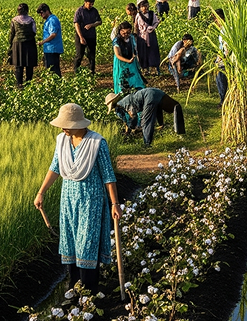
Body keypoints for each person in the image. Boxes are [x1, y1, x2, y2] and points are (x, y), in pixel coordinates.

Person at [34, 104, 121, 293]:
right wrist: (41, 192)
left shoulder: (96, 143)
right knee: (70, 242)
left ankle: (89, 291)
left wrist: (115, 203)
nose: (63, 129)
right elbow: (55, 167)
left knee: (87, 243)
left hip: (91, 201)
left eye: (67, 125)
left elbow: (108, 176)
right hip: (68, 200)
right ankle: (73, 287)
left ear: (78, 123)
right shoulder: (62, 141)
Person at [108, 88, 185, 148]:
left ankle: (147, 144)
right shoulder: (124, 100)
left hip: (149, 96)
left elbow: (132, 115)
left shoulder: (121, 105)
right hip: (156, 92)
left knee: (145, 121)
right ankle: (179, 132)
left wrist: (133, 127)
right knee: (174, 107)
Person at [112, 20, 146, 93]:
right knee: (122, 78)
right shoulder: (116, 41)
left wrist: (135, 58)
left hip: (131, 60)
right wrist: (128, 61)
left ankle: (138, 92)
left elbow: (134, 49)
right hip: (121, 63)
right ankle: (122, 93)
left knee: (135, 77)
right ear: (120, 31)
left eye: (128, 32)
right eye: (124, 33)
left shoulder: (131, 38)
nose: (126, 34)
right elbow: (118, 55)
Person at [9, 3, 38, 87]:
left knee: (19, 65)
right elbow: (34, 32)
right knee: (29, 65)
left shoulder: (14, 20)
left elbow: (12, 33)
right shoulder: (31, 20)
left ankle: (19, 84)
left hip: (17, 45)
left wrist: (10, 45)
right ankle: (29, 83)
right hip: (30, 44)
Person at [73, 0, 102, 74]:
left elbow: (99, 22)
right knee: (79, 55)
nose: (91, 5)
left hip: (91, 36)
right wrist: (81, 37)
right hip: (81, 36)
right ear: (85, 2)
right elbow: (76, 24)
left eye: (92, 4)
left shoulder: (94, 11)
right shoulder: (79, 11)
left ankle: (92, 71)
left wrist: (92, 25)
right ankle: (76, 71)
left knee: (92, 55)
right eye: (89, 4)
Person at [134, 0, 161, 76]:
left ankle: (154, 69)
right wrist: (136, 35)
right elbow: (136, 26)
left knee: (152, 51)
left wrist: (153, 27)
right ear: (139, 7)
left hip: (151, 35)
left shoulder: (152, 14)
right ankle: (145, 69)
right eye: (142, 6)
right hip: (142, 37)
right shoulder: (138, 15)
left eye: (146, 6)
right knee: (143, 52)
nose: (144, 8)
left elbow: (156, 22)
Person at [38, 4, 63, 76]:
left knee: (53, 70)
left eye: (42, 13)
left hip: (52, 49)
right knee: (51, 69)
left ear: (47, 11)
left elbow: (53, 34)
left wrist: (43, 42)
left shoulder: (52, 20)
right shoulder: (49, 20)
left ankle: (56, 85)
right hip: (49, 49)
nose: (41, 15)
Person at [213, 8, 229, 106]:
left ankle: (223, 99)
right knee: (219, 79)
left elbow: (226, 45)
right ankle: (222, 98)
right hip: (220, 57)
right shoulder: (223, 29)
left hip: (224, 58)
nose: (215, 21)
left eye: (216, 19)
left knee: (221, 78)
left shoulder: (226, 30)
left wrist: (223, 57)